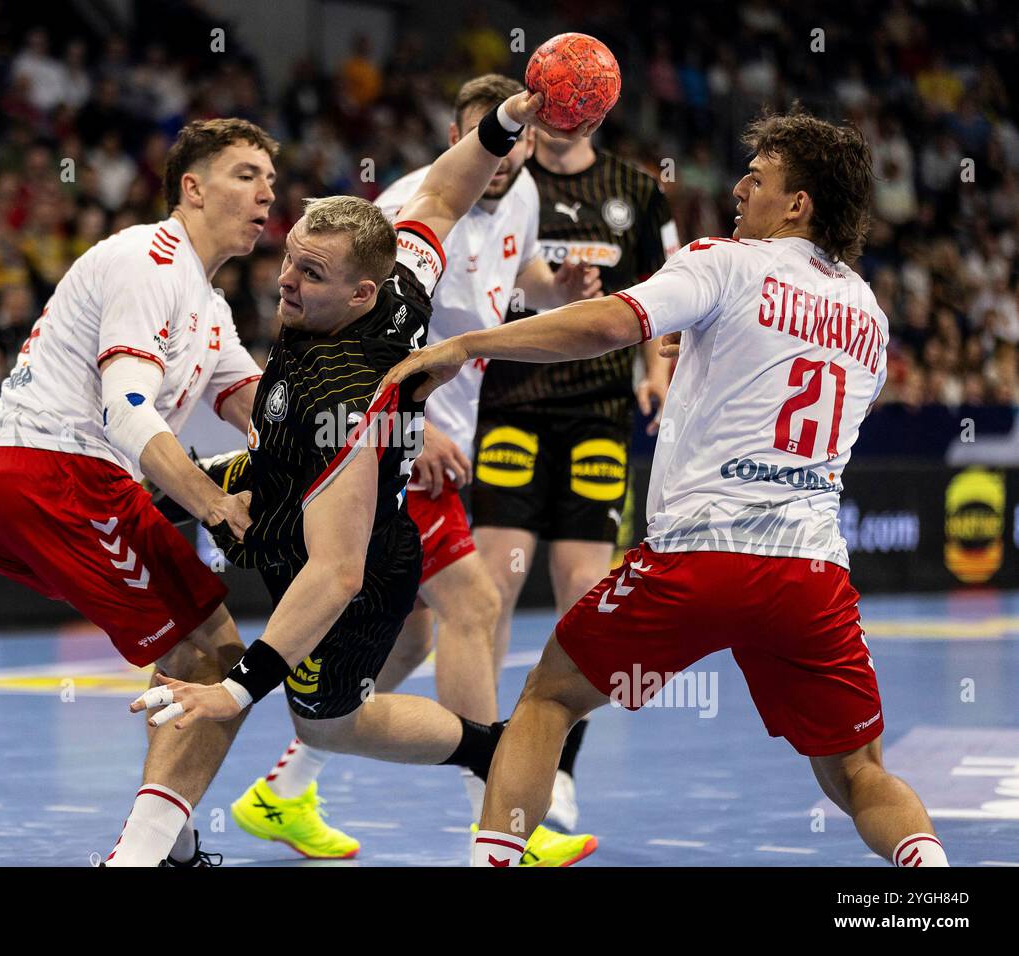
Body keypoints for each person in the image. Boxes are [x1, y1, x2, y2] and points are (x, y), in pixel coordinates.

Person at [384, 108, 947, 868]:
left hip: (700, 558)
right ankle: (935, 887)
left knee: (547, 699)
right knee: (857, 772)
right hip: (811, 574)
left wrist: (464, 345)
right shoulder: (870, 317)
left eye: (759, 177)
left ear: (798, 205)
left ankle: (492, 861)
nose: (740, 187)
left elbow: (607, 325)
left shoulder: (724, 261)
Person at [134, 88, 597, 866]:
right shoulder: (392, 273)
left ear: (359, 295)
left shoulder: (347, 398)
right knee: (424, 630)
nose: (283, 283)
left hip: (354, 543)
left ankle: (491, 767)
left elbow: (337, 573)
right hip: (307, 483)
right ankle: (202, 819)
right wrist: (509, 122)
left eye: (307, 274)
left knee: (335, 718)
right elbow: (445, 194)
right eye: (289, 259)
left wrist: (237, 691)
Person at [0, 118, 277, 867]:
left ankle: (172, 840)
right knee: (218, 655)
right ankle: (138, 859)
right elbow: (124, 406)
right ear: (191, 188)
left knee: (197, 652)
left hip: (22, 483)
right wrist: (210, 500)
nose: (266, 192)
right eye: (245, 174)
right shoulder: (147, 258)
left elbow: (252, 405)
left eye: (269, 178)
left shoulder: (207, 300)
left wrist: (346, 436)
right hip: (54, 472)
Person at [472, 107, 680, 831]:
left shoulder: (637, 187)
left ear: (594, 107)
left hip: (598, 410)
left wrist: (655, 371)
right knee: (490, 589)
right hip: (510, 401)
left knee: (584, 591)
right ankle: (492, 760)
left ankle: (558, 764)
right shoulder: (507, 179)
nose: (563, 115)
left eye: (576, 102)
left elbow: (668, 288)